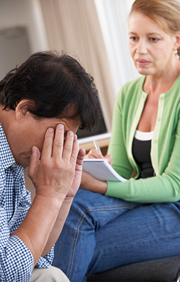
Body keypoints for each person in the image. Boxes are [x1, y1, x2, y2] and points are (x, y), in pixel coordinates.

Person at [52, 0, 180, 281]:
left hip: (175, 206)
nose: (140, 49)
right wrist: (99, 169)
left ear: (176, 41)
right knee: (75, 204)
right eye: (134, 38)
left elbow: (173, 186)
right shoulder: (129, 93)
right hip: (141, 197)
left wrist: (98, 184)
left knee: (79, 246)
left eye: (153, 39)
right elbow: (122, 170)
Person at [0, 50, 100, 282]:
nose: (57, 148)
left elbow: (36, 257)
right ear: (23, 109)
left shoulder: (13, 158)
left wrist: (63, 196)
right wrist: (49, 195)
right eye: (57, 133)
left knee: (50, 276)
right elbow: (6, 274)